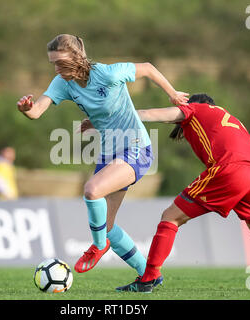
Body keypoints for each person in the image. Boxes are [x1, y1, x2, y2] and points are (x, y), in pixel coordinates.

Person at [16, 34, 188, 277]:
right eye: (53, 63)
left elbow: (148, 69)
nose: (56, 68)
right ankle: (148, 276)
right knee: (107, 227)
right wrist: (27, 109)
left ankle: (98, 246)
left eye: (60, 62)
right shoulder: (62, 83)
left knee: (91, 190)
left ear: (77, 57)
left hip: (136, 148)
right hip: (109, 154)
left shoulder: (107, 73)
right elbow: (37, 111)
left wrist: (172, 94)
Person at [112, 93, 250, 292]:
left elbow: (149, 114)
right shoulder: (230, 118)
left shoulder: (194, 109)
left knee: (170, 217)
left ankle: (148, 279)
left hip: (231, 170)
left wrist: (110, 116)